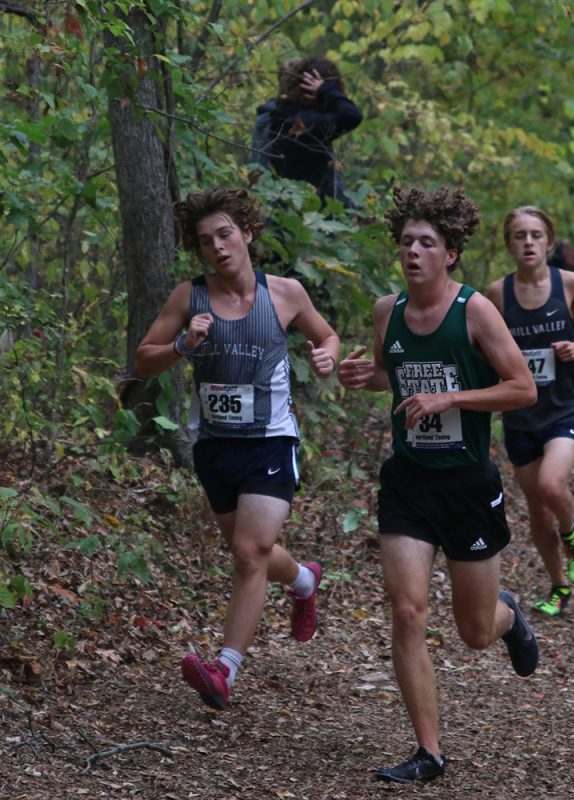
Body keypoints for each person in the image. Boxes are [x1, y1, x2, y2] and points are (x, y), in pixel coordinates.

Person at [338, 185, 539, 784]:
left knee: (474, 633)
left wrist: (452, 395)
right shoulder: (386, 311)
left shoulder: (474, 310)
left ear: (450, 253)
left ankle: (510, 616)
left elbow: (523, 388)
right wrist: (363, 375)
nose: (413, 252)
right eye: (406, 242)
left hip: (467, 484)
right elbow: (390, 375)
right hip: (408, 483)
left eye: (427, 243)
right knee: (407, 611)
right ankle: (429, 753)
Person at [134, 188, 341, 710]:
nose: (218, 246)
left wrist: (327, 359)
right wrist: (183, 345)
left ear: (246, 233)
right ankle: (301, 579)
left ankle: (223, 669)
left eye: (225, 233)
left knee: (249, 552)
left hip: (271, 439)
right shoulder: (189, 297)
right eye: (206, 241)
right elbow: (141, 361)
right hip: (215, 445)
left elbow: (327, 336)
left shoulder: (286, 293)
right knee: (250, 550)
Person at [487, 207, 574, 616]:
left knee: (553, 487)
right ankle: (558, 587)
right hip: (520, 418)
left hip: (562, 410)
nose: (528, 243)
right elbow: (482, 342)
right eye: (519, 236)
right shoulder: (497, 293)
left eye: (536, 235)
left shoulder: (567, 283)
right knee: (537, 510)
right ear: (509, 245)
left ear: (549, 243)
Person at [265, 56, 362, 205]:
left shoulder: (286, 113)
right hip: (305, 217)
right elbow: (352, 115)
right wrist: (326, 90)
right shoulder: (306, 124)